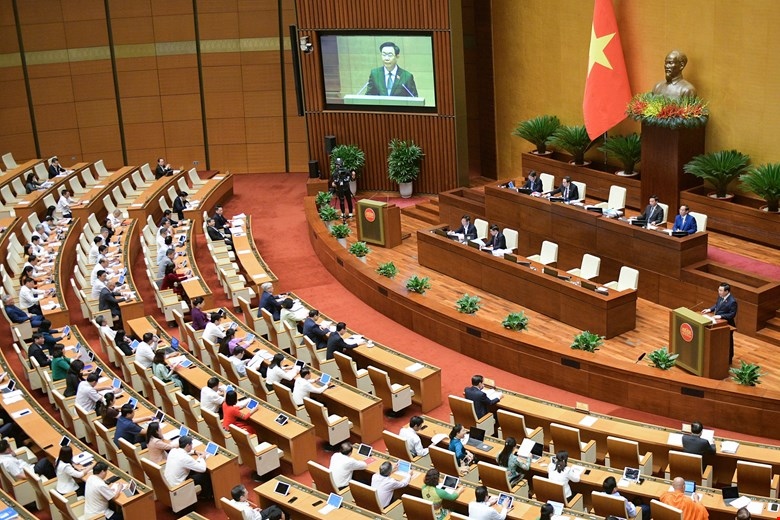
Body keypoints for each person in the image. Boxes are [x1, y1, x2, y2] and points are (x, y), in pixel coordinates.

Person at [164, 436, 212, 500]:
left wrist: (195, 452)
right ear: (187, 445)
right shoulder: (185, 458)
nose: (192, 446)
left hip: (169, 482)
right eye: (191, 444)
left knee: (193, 471)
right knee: (204, 476)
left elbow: (184, 451)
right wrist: (202, 458)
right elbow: (203, 469)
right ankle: (206, 496)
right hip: (178, 486)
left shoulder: (173, 451)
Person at [702, 282, 738, 363]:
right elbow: (717, 305)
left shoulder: (732, 302)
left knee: (728, 342)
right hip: (718, 323)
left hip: (727, 325)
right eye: (719, 290)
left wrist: (721, 316)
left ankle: (729, 359)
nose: (719, 292)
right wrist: (709, 309)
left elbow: (732, 314)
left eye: (721, 290)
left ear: (727, 291)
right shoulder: (721, 296)